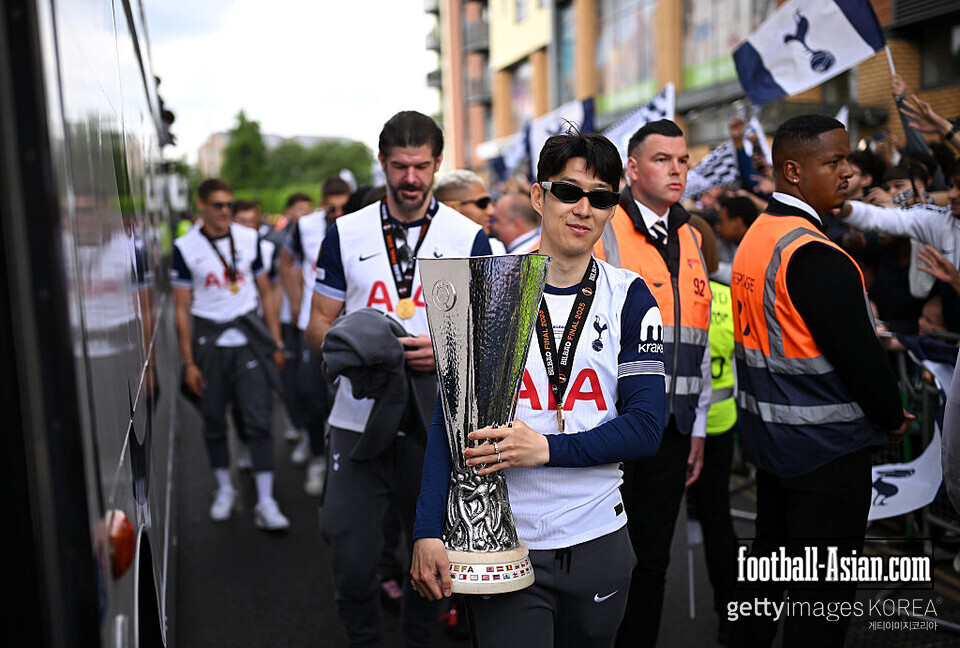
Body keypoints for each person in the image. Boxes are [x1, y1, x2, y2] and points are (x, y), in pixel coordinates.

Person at [411, 130, 665, 647]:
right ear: (537, 196)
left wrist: (545, 449)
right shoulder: (486, 289)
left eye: (601, 197)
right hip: (501, 540)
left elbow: (645, 429)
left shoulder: (630, 296)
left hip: (597, 538)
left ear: (613, 208)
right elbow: (448, 422)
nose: (583, 209)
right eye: (569, 191)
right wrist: (426, 530)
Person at [305, 111, 492, 648]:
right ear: (382, 162)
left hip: (434, 422)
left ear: (438, 163)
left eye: (421, 166)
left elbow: (498, 339)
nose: (410, 179)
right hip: (357, 419)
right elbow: (317, 325)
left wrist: (450, 351)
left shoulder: (470, 237)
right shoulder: (346, 232)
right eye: (399, 166)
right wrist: (360, 347)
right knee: (351, 555)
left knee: (432, 556)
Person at [729, 115, 911, 646]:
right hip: (827, 452)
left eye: (848, 160)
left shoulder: (759, 236)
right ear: (792, 171)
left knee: (766, 586)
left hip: (772, 445)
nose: (848, 173)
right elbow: (861, 359)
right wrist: (892, 416)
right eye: (833, 162)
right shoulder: (815, 254)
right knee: (821, 608)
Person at [591, 119, 711, 648]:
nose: (677, 169)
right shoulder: (602, 226)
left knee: (653, 561)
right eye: (663, 159)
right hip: (614, 426)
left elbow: (701, 340)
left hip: (674, 429)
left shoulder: (690, 235)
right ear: (632, 169)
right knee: (604, 562)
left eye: (683, 160)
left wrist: (699, 425)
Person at [171, 178, 290, 531]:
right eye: (218, 205)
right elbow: (181, 308)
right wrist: (189, 361)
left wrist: (276, 341)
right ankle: (225, 489)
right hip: (210, 343)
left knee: (258, 419)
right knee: (212, 420)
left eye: (228, 204)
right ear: (201, 206)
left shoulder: (250, 238)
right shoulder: (185, 246)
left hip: (249, 341)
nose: (225, 211)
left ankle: (266, 501)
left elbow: (266, 293)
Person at [841, 161, 960, 331]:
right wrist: (841, 208)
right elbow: (881, 218)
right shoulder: (940, 222)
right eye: (952, 186)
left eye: (959, 187)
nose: (952, 195)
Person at [434, 169, 505, 254]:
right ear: (452, 209)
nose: (491, 211)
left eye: (490, 202)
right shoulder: (427, 246)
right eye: (482, 203)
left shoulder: (496, 249)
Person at [712, 195, 757, 285]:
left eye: (721, 221)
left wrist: (710, 266)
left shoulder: (758, 247)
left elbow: (739, 276)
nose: (717, 227)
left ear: (737, 221)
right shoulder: (723, 243)